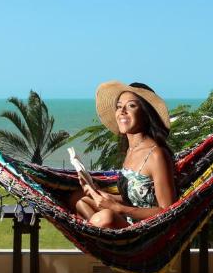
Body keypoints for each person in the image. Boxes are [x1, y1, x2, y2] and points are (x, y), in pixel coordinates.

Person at [70, 81, 177, 228]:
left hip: (147, 232)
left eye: (131, 106)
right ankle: (98, 237)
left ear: (146, 114)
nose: (122, 111)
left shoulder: (156, 154)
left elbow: (167, 211)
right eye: (119, 106)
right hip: (127, 221)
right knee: (78, 198)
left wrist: (118, 208)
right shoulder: (130, 150)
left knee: (105, 218)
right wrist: (105, 196)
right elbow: (136, 198)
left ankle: (99, 239)